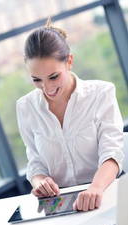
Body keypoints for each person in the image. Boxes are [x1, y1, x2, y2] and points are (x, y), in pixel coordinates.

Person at [16, 18, 124, 211]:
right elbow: (35, 161)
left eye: (53, 77)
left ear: (69, 61)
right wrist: (39, 181)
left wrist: (95, 189)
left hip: (106, 193)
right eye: (36, 80)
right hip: (60, 204)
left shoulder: (101, 93)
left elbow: (112, 153)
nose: (46, 88)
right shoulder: (25, 107)